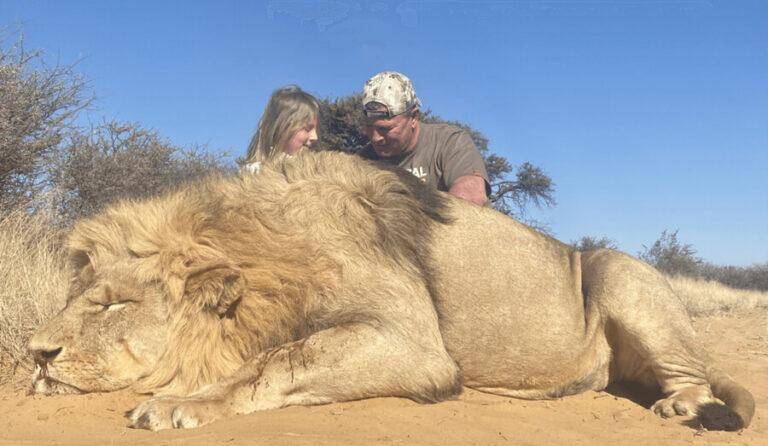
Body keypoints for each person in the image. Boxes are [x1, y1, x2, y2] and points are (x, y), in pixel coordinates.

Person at [357, 71, 490, 205]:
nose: (375, 138)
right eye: (368, 126)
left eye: (385, 129)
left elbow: (472, 196)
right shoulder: (364, 160)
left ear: (414, 117)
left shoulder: (450, 142)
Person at [242, 85, 320, 173]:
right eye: (307, 128)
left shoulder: (316, 173)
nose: (315, 137)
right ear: (280, 129)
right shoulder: (253, 174)